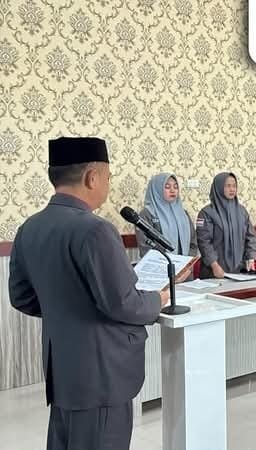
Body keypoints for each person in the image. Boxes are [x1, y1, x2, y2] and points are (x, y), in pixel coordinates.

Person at [8, 137, 169, 450]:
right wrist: (157, 299)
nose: (108, 184)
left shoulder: (30, 227)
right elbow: (124, 303)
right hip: (101, 373)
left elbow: (21, 296)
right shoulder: (95, 229)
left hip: (62, 367)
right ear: (92, 177)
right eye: (108, 177)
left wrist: (65, 308)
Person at [196, 172, 256, 278]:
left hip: (239, 271)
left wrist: (251, 258)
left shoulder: (242, 211)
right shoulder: (206, 213)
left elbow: (250, 236)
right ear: (218, 187)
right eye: (228, 186)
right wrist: (214, 266)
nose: (232, 189)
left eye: (234, 186)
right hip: (215, 272)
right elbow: (204, 243)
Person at [136, 173, 198, 258]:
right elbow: (145, 246)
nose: (173, 190)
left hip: (185, 264)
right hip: (158, 264)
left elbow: (193, 243)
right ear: (157, 190)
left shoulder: (183, 214)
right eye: (167, 187)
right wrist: (167, 264)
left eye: (175, 187)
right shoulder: (147, 214)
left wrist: (187, 263)